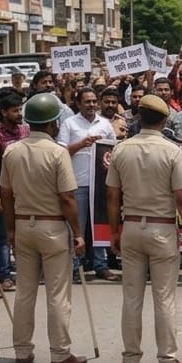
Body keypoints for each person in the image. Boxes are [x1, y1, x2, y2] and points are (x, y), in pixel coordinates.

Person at [106, 94, 182, 363]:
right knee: (164, 297)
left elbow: (112, 195)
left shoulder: (122, 150)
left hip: (131, 225)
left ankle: (130, 358)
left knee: (131, 296)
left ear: (139, 117)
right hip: (161, 228)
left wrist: (114, 231)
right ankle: (167, 360)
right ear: (164, 120)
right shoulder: (172, 151)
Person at [0, 92, 86, 363]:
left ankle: (22, 350)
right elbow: (68, 199)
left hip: (24, 224)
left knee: (25, 291)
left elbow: (6, 194)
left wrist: (11, 228)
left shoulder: (12, 150)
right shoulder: (57, 153)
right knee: (58, 293)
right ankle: (60, 353)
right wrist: (78, 232)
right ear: (51, 124)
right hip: (53, 226)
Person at [58, 87, 118, 282]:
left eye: (94, 101)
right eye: (87, 102)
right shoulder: (69, 124)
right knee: (78, 227)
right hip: (78, 184)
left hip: (101, 184)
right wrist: (81, 144)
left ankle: (101, 265)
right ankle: (75, 266)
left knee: (100, 226)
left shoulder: (105, 124)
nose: (91, 105)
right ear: (78, 103)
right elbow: (61, 152)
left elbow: (114, 150)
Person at [0, 90, 29, 291]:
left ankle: (26, 272)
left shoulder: (25, 131)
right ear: (3, 112)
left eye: (20, 110)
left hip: (26, 192)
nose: (19, 114)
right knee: (3, 236)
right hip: (4, 192)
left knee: (24, 234)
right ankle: (4, 274)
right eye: (14, 111)